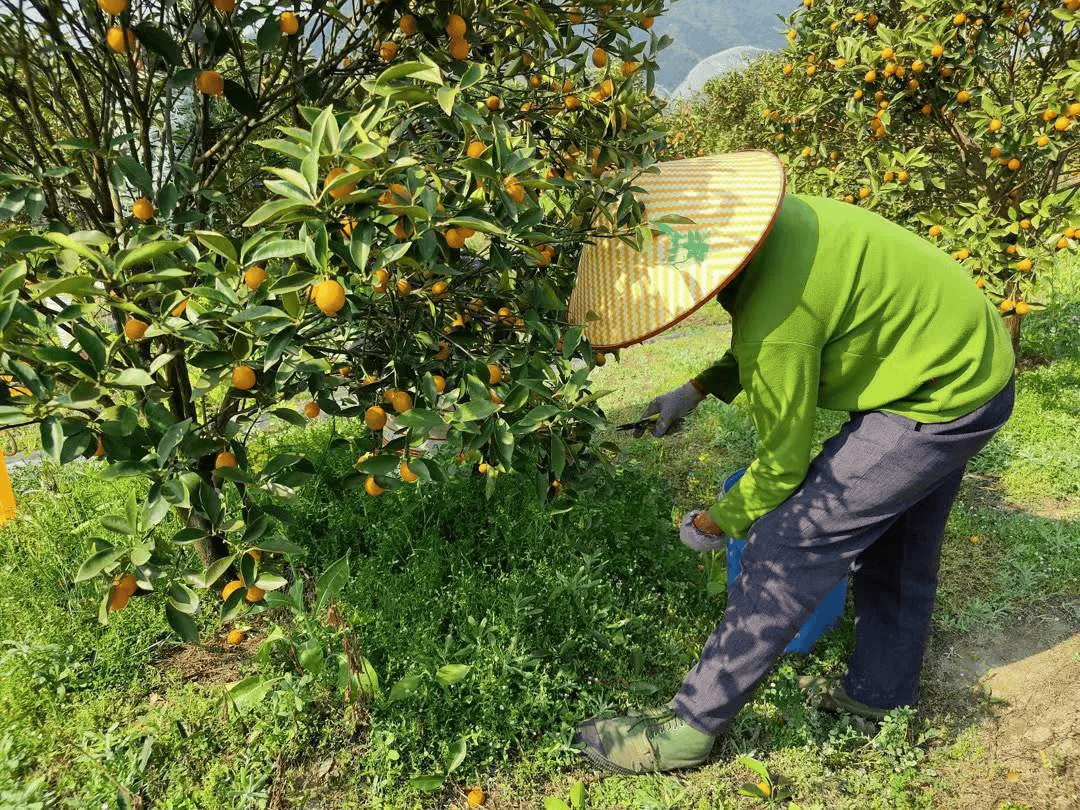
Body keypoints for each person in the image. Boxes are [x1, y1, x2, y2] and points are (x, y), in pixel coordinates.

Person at [572, 190, 1015, 774]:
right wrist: (696, 389)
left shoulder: (774, 321)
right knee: (899, 543)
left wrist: (714, 522)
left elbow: (781, 464)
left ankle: (690, 728)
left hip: (936, 398)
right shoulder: (778, 226)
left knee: (787, 543)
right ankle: (880, 696)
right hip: (971, 363)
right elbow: (783, 330)